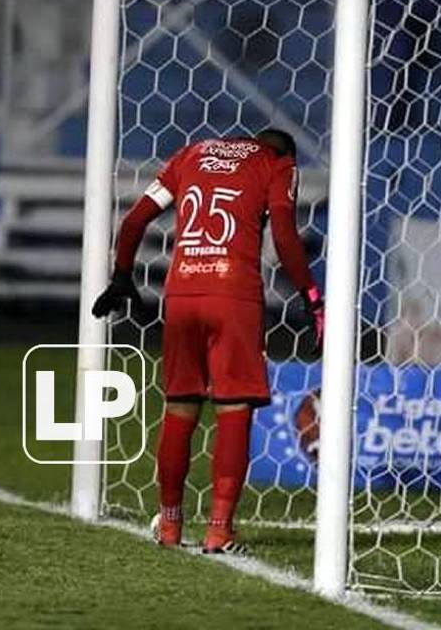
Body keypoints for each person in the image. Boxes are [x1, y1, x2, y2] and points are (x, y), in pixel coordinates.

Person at [92, 129, 324, 553]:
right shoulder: (277, 164)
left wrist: (123, 275)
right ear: (283, 152)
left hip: (181, 295)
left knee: (180, 406)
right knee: (233, 407)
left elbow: (134, 221)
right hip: (233, 296)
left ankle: (170, 525)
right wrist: (312, 297)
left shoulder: (190, 155)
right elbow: (285, 236)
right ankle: (219, 530)